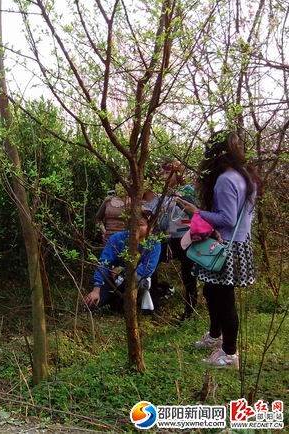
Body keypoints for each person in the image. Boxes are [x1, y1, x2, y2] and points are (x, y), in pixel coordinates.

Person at [178, 132, 260, 369]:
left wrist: (196, 212)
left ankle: (230, 354)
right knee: (213, 293)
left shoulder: (226, 179)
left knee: (224, 299)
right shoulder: (246, 176)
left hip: (225, 247)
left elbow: (227, 218)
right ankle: (216, 336)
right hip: (238, 244)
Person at [145, 159, 198, 320]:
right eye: (163, 172)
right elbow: (153, 210)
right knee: (151, 265)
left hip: (185, 237)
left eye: (168, 172)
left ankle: (189, 311)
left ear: (178, 174)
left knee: (188, 274)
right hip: (165, 238)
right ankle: (153, 304)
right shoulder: (161, 194)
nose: (164, 176)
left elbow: (196, 211)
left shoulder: (187, 191)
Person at [83, 212, 161, 311]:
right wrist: (96, 289)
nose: (136, 228)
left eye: (141, 224)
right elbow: (104, 262)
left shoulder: (154, 243)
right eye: (133, 224)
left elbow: (148, 269)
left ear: (150, 226)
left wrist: (122, 272)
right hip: (114, 280)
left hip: (138, 281)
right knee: (91, 306)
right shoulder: (118, 238)